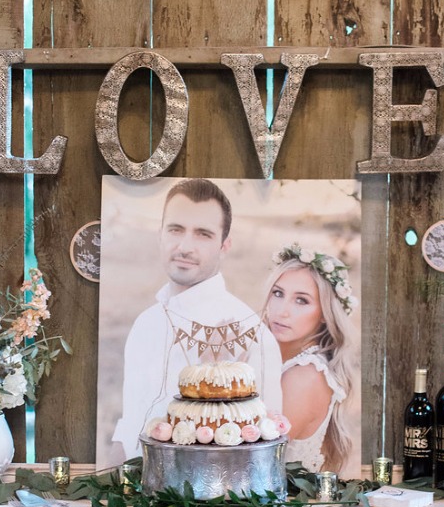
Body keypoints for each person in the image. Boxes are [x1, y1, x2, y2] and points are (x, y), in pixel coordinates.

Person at [112, 179, 283, 459]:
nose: (185, 247)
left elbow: (264, 449)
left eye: (203, 234)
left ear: (224, 245)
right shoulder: (145, 322)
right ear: (160, 234)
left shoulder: (251, 333)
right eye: (176, 229)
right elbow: (129, 425)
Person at [263, 244, 358, 474]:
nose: (282, 311)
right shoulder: (281, 362)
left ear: (325, 314)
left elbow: (256, 463)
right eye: (278, 293)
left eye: (301, 300)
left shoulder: (304, 376)